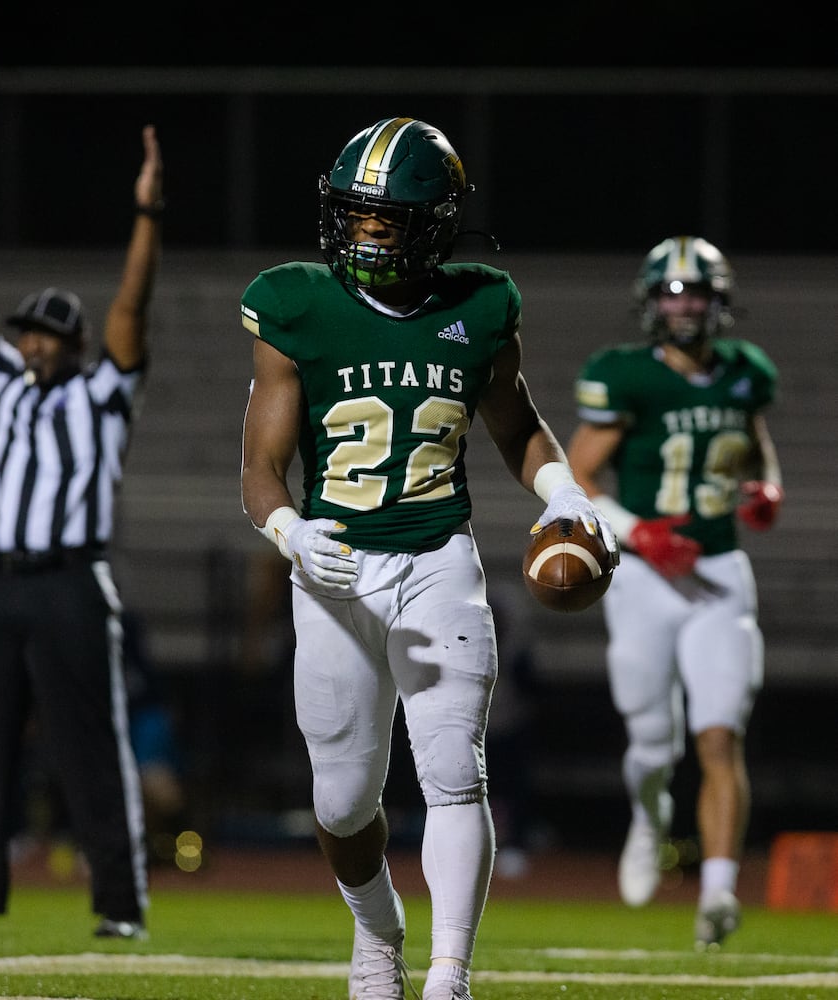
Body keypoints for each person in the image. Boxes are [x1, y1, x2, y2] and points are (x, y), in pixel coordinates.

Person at [239, 116, 617, 1000]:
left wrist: (559, 488)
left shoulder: (478, 305)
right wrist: (290, 533)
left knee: (453, 771)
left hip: (436, 557)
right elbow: (259, 469)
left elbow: (516, 424)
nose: (362, 234)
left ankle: (449, 976)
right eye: (353, 215)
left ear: (431, 224)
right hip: (333, 571)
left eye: (383, 219)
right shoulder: (297, 304)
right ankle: (379, 935)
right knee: (339, 801)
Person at [0, 116, 164, 940]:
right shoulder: (6, 387)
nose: (31, 343)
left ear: (76, 343)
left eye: (48, 334)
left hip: (66, 580)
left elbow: (132, 305)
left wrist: (146, 220)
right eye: (27, 331)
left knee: (90, 745)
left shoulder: (102, 394)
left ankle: (119, 904)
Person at [565, 235, 783, 950]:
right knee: (652, 743)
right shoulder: (626, 376)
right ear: (651, 300)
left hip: (719, 573)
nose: (682, 304)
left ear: (716, 299)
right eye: (671, 291)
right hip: (646, 580)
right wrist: (638, 531)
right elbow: (577, 472)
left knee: (719, 734)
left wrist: (763, 488)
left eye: (693, 291)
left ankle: (717, 892)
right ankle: (649, 814)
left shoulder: (745, 371)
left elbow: (753, 441)